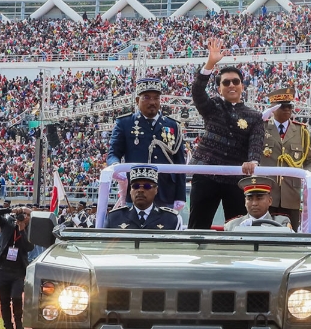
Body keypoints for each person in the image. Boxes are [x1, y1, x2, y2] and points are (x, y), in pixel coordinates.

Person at [189, 38, 265, 229]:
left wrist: (253, 161)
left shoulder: (255, 116)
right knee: (198, 226)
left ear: (242, 86)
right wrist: (210, 64)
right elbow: (197, 91)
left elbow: (256, 143)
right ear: (220, 88)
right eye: (226, 82)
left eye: (235, 81)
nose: (231, 85)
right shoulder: (212, 106)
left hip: (235, 178)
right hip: (206, 174)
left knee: (236, 227)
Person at [106, 77, 186, 210]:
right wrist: (116, 167)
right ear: (137, 100)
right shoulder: (125, 123)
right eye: (147, 97)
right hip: (137, 191)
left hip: (166, 192)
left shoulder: (173, 125)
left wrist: (181, 195)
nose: (152, 102)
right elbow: (113, 153)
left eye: (156, 98)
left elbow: (180, 164)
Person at [261, 87, 311, 230]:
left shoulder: (301, 131)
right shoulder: (261, 128)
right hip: (266, 192)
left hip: (291, 194)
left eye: (290, 106)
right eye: (282, 106)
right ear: (273, 108)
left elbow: (310, 159)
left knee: (291, 234)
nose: (287, 109)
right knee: (263, 232)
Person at [0, 204, 34, 329]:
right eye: (22, 214)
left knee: (16, 297)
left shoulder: (30, 229)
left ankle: (19, 324)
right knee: (4, 301)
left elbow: (28, 247)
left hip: (18, 272)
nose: (23, 217)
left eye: (26, 215)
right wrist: (10, 210)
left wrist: (22, 230)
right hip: (3, 269)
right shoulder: (7, 223)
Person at [105, 166, 184, 230]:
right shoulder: (114, 218)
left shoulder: (171, 219)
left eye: (147, 186)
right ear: (130, 190)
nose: (140, 190)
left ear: (156, 190)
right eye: (135, 186)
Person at [223, 176, 293, 229]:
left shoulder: (282, 223)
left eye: (259, 198)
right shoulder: (232, 226)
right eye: (250, 199)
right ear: (245, 202)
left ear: (270, 201)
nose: (254, 203)